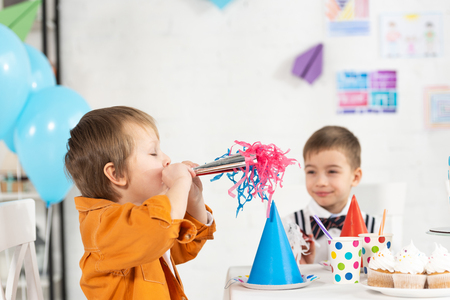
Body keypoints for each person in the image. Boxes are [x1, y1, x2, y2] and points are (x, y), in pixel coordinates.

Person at [64, 106, 216, 300]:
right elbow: (162, 228)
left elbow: (183, 246)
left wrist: (193, 197)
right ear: (117, 174)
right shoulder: (104, 226)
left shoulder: (142, 219)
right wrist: (179, 183)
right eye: (153, 153)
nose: (167, 159)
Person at [283, 126, 378, 264]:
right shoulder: (289, 226)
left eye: (332, 171)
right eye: (311, 172)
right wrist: (300, 267)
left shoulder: (374, 228)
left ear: (355, 177)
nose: (320, 182)